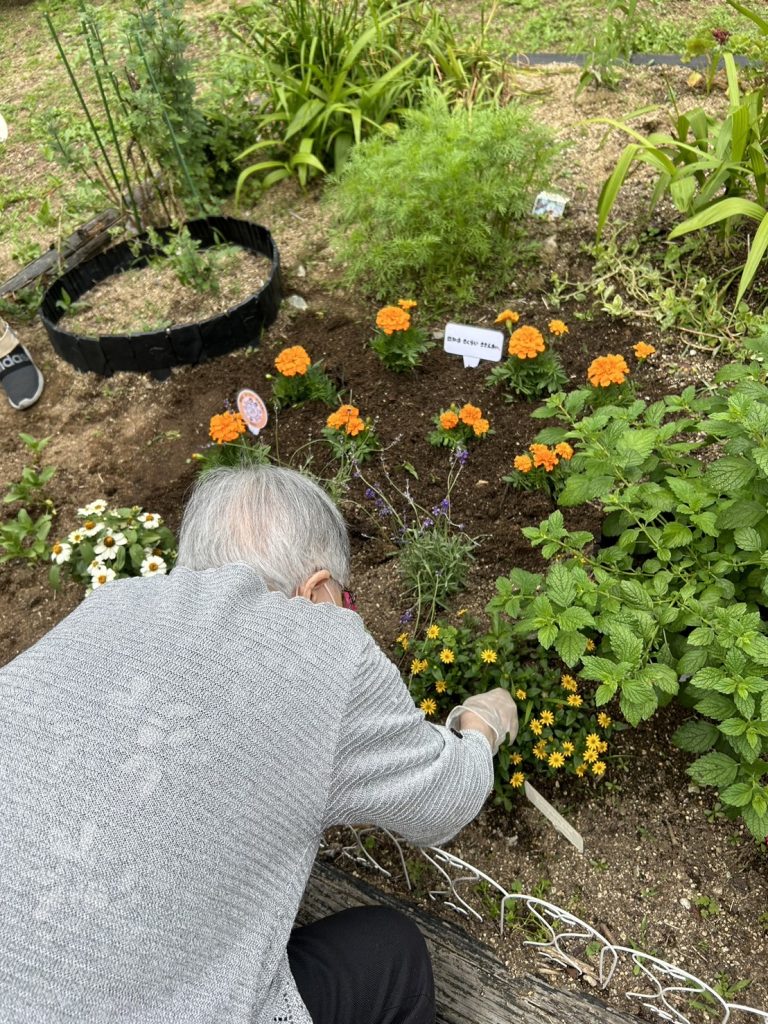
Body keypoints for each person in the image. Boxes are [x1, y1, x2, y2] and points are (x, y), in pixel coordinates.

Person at [0, 465, 518, 1024]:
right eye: (347, 599)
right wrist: (481, 724)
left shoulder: (109, 604)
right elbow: (444, 802)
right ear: (318, 590)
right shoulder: (320, 648)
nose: (350, 615)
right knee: (391, 954)